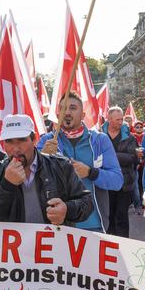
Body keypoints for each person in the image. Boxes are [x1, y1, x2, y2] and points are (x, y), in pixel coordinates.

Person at [0, 114, 93, 225]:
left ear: (34, 140)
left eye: (21, 140)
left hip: (53, 244)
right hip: (12, 245)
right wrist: (6, 185)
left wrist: (67, 209)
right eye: (9, 141)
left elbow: (87, 202)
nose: (16, 149)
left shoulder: (60, 166)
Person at [38, 92, 123, 232]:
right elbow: (34, 180)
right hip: (57, 225)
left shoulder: (100, 140)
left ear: (83, 115)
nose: (67, 112)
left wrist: (90, 172)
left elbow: (117, 181)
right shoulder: (46, 141)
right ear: (58, 116)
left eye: (72, 108)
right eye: (63, 108)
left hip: (94, 225)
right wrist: (44, 156)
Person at [102, 107, 139, 238]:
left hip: (124, 183)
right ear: (109, 119)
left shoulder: (129, 137)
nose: (121, 122)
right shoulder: (98, 136)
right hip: (105, 183)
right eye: (117, 119)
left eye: (122, 119)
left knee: (121, 216)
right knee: (108, 215)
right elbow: (95, 157)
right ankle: (108, 244)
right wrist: (120, 157)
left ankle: (123, 244)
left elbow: (133, 158)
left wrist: (109, 156)